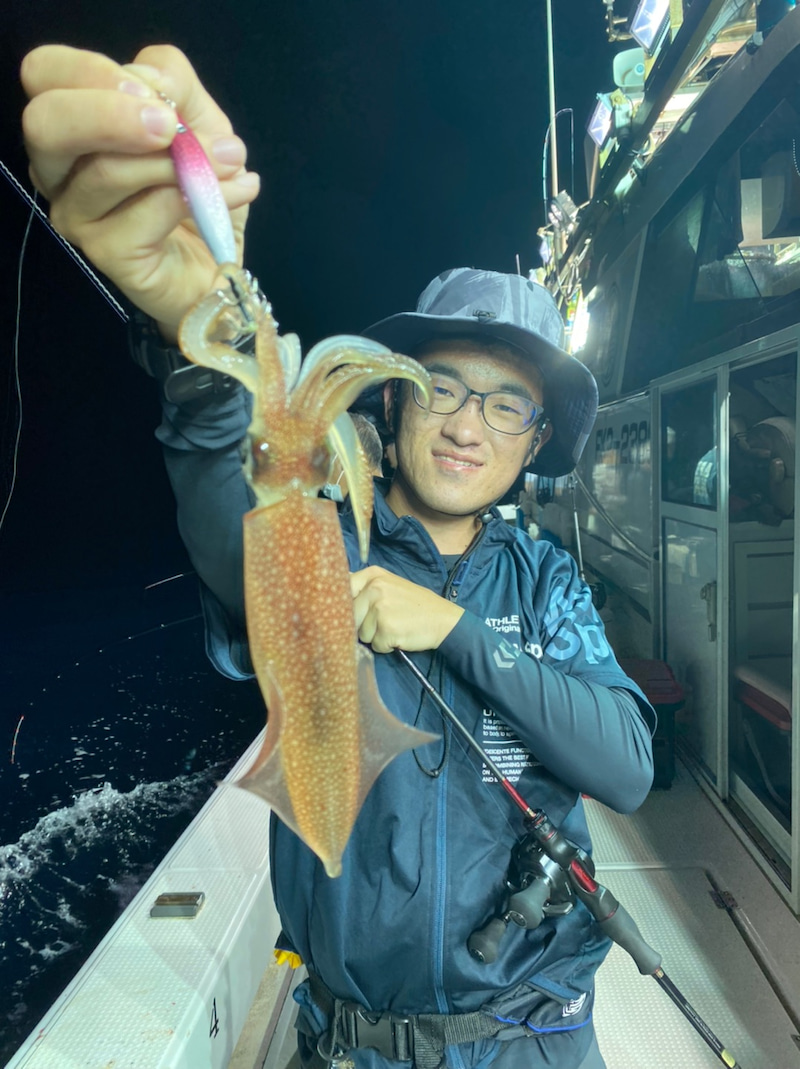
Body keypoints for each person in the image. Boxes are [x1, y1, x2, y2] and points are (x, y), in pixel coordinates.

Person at [21, 45, 655, 1069]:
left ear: (534, 440)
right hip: (353, 1047)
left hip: (533, 1041)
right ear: (394, 397)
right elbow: (238, 514)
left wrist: (451, 630)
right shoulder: (324, 545)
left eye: (507, 404)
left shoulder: (545, 581)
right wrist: (199, 342)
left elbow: (625, 765)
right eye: (442, 387)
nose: (468, 426)